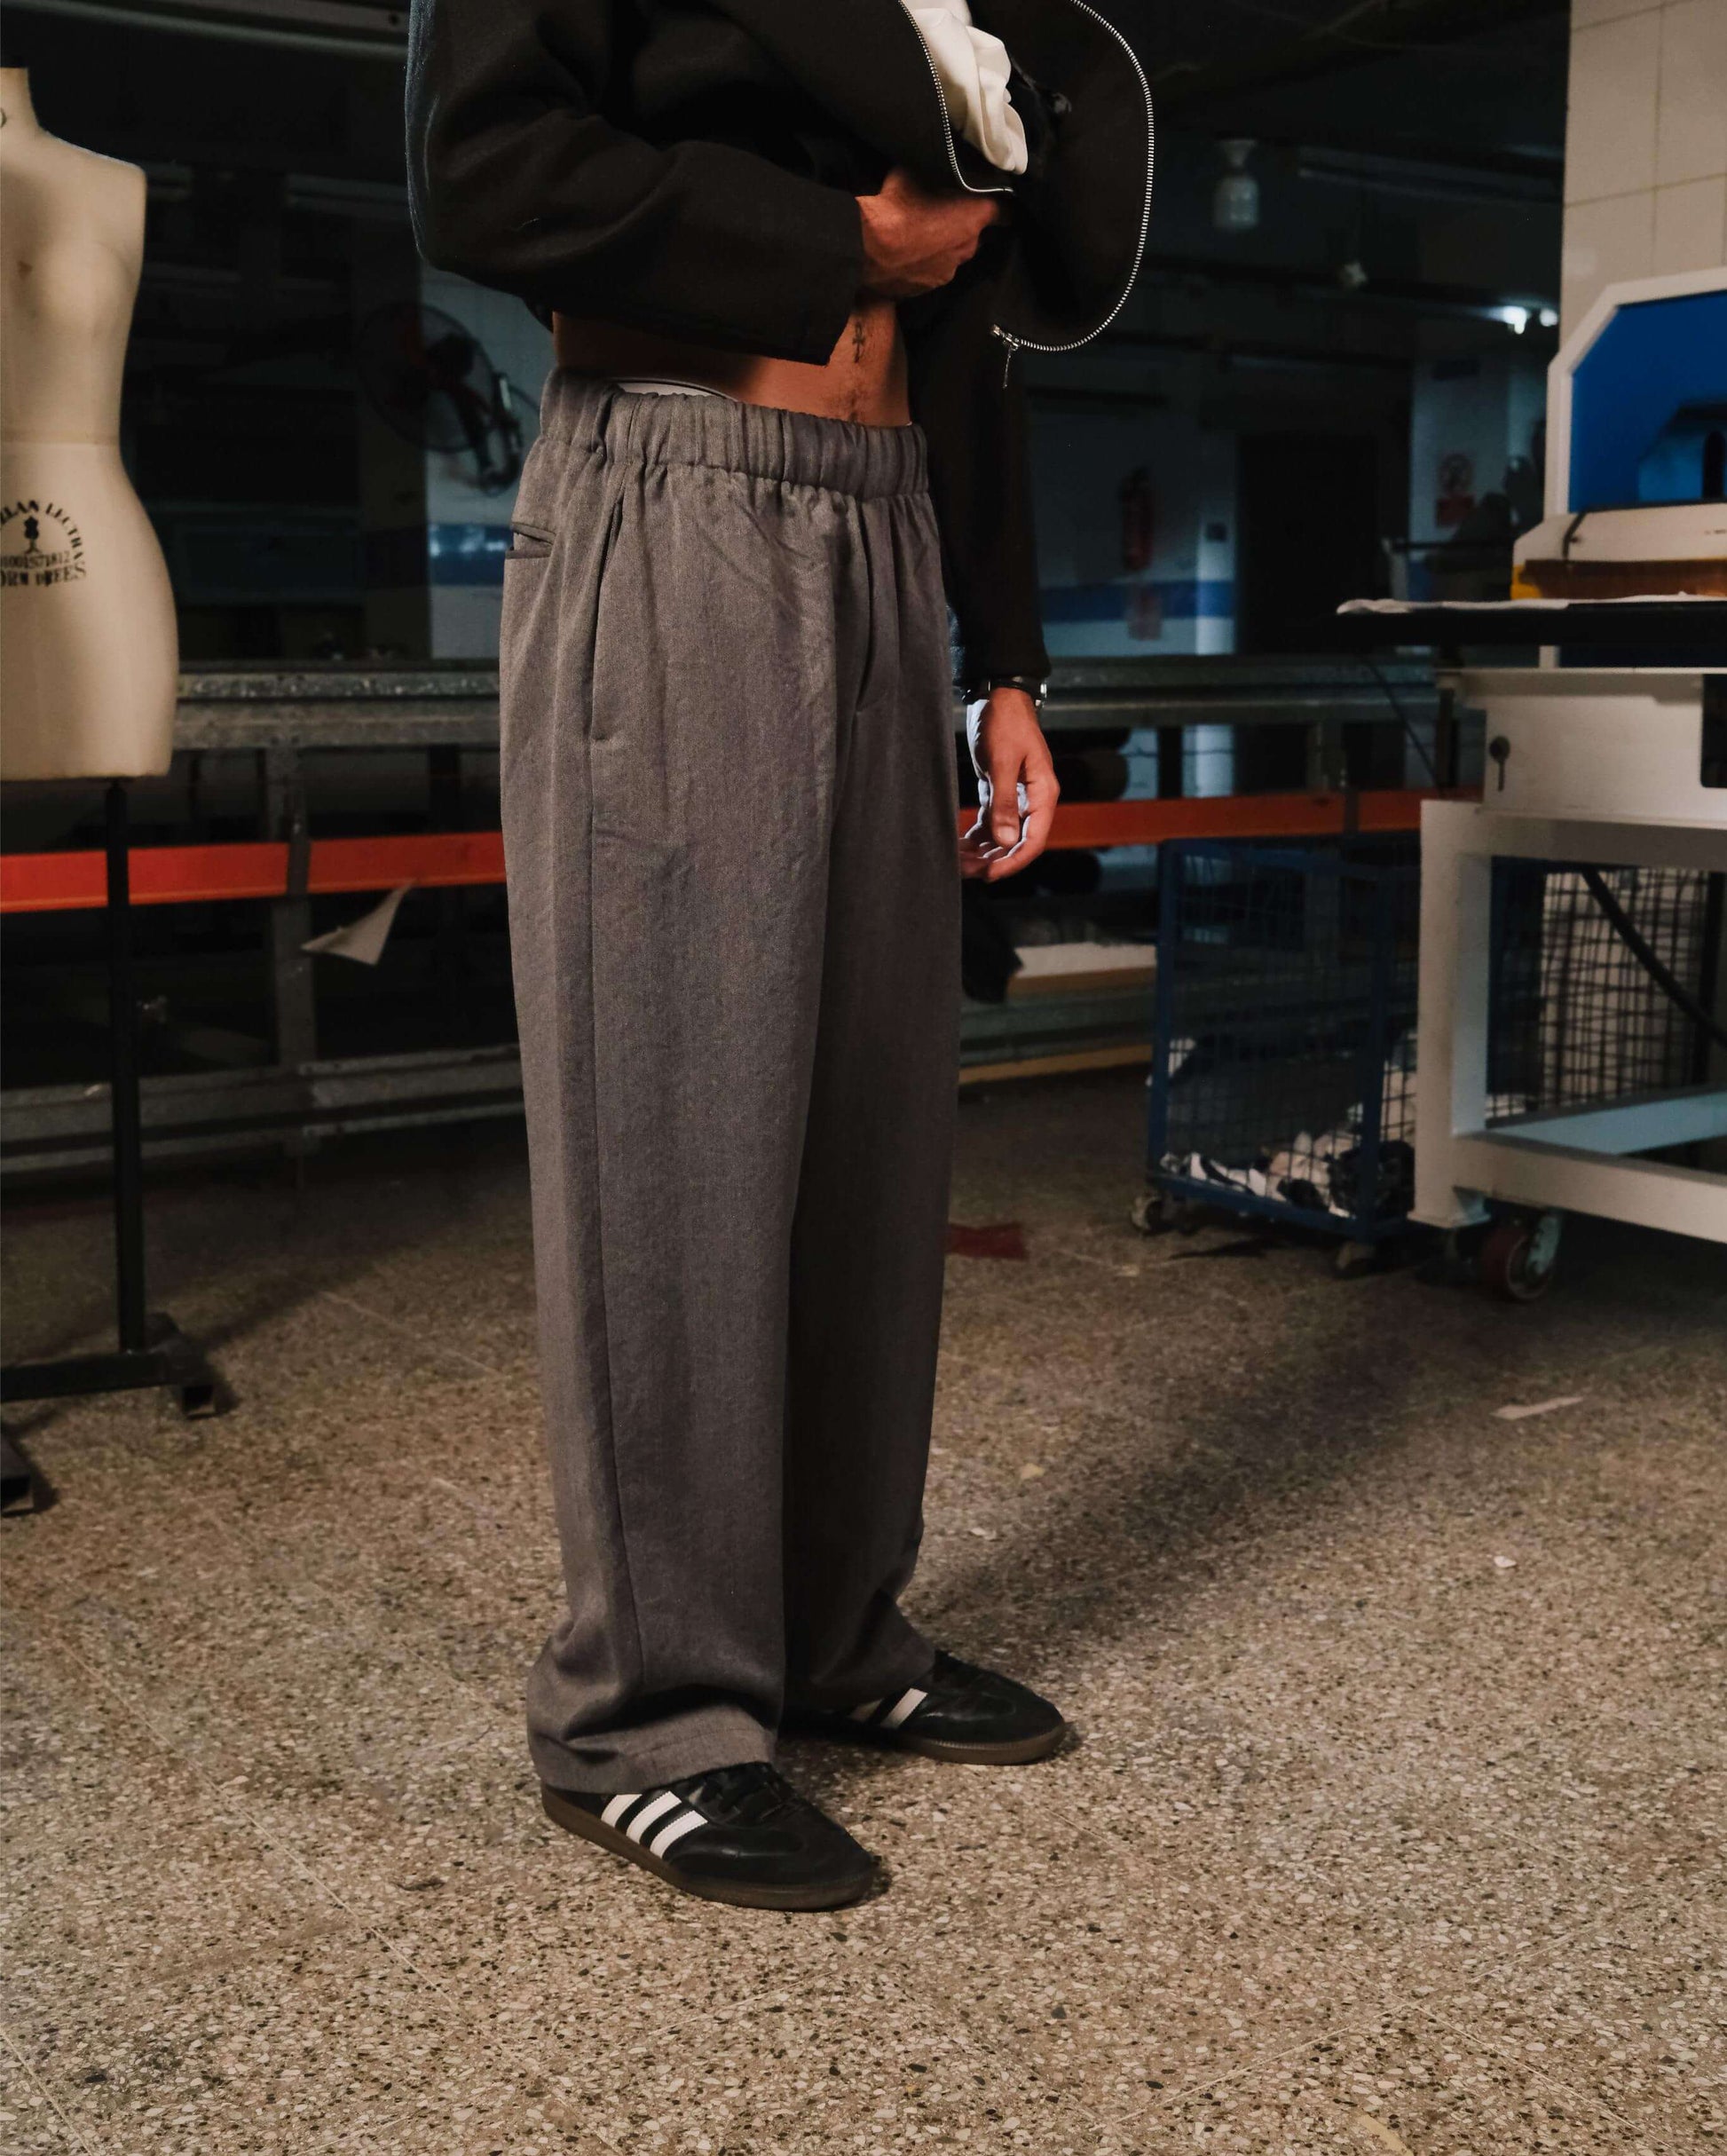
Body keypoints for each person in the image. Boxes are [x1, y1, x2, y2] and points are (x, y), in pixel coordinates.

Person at [407, 0, 1152, 1910]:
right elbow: (481, 171)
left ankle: (830, 1639)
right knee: (676, 1115)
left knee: (868, 1124)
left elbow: (971, 345)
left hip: (888, 523)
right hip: (676, 487)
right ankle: (643, 1716)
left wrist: (1003, 662)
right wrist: (843, 248)